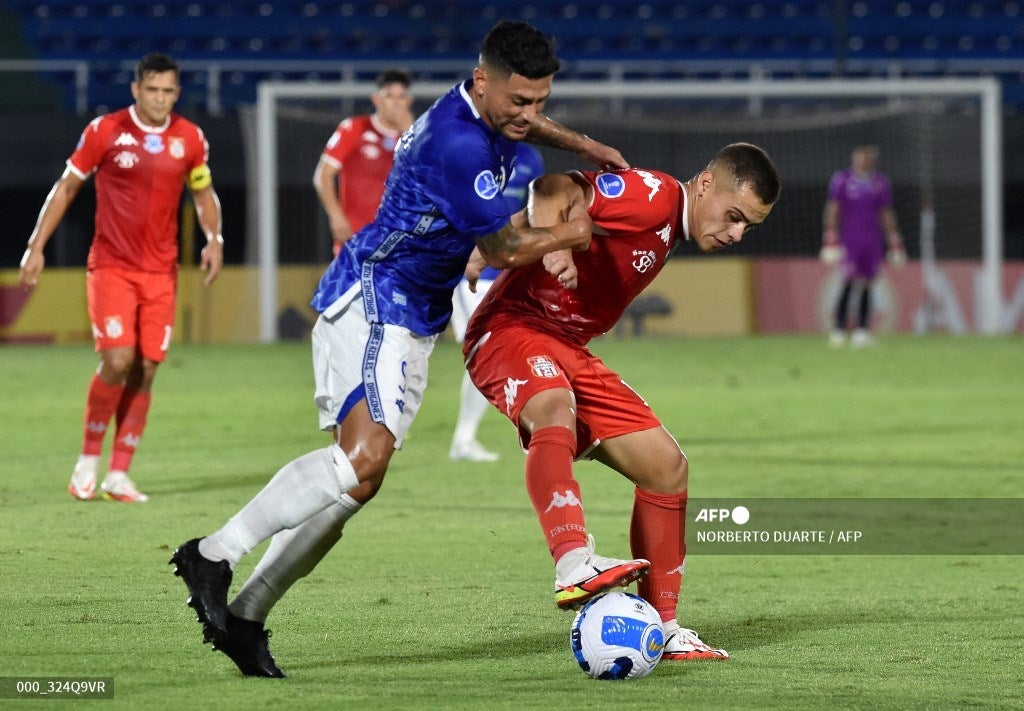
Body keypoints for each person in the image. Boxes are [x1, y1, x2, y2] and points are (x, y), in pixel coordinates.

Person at [169, 20, 632, 678]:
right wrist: (572, 234)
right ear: (483, 83)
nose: (531, 116)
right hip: (377, 297)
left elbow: (527, 130)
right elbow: (499, 249)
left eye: (541, 101)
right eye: (520, 102)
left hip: (413, 312)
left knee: (358, 482)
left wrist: (581, 142)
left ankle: (245, 614)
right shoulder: (455, 142)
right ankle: (214, 552)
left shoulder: (486, 110)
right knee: (363, 457)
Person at [462, 144, 781, 660]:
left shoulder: (664, 224)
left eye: (748, 226)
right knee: (553, 410)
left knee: (666, 467)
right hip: (513, 328)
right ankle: (572, 562)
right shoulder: (652, 196)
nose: (736, 232)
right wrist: (554, 248)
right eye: (734, 216)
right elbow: (554, 189)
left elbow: (562, 209)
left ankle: (664, 625)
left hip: (567, 346)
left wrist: (506, 235)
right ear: (704, 184)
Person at [18, 52, 224, 504]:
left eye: (169, 91)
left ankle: (119, 474)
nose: (161, 99)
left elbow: (203, 191)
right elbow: (67, 186)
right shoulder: (107, 131)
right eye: (153, 90)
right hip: (111, 266)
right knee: (117, 361)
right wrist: (36, 245)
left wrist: (214, 237)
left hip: (161, 273)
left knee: (147, 369)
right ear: (136, 90)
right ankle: (88, 461)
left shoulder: (189, 138)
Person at [449, 141, 545, 462]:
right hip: (470, 270)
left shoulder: (531, 157)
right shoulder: (474, 150)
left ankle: (464, 439)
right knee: (485, 351)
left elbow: (537, 211)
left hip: (507, 271)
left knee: (496, 351)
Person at [313, 69, 415, 257]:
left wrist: (410, 133)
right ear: (376, 99)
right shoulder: (355, 128)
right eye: (389, 96)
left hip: (399, 242)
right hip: (356, 239)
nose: (395, 103)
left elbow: (427, 180)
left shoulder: (415, 137)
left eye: (401, 97)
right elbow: (323, 175)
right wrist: (335, 215)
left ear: (409, 101)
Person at [820, 145, 905, 349]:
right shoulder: (842, 180)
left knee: (868, 283)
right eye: (858, 157)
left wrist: (895, 241)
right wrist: (830, 238)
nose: (861, 161)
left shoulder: (880, 183)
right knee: (848, 282)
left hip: (872, 240)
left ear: (871, 160)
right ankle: (839, 330)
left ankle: (862, 331)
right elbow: (833, 209)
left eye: (865, 158)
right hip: (850, 240)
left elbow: (886, 213)